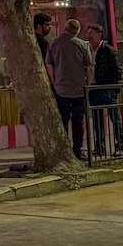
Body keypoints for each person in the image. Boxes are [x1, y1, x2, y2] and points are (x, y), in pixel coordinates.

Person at [45, 18, 94, 160]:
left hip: (61, 89)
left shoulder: (53, 44)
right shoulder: (82, 45)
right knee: (78, 122)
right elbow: (90, 67)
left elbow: (49, 65)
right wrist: (88, 84)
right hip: (79, 89)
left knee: (63, 120)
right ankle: (77, 150)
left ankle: (64, 150)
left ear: (64, 28)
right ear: (77, 31)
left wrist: (55, 82)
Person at [86, 24, 123, 157]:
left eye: (92, 35)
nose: (89, 38)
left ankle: (120, 146)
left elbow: (117, 71)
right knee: (97, 120)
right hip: (94, 89)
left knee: (114, 118)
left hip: (106, 89)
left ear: (99, 35)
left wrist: (112, 88)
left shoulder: (109, 51)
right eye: (88, 35)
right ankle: (99, 147)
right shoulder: (88, 50)